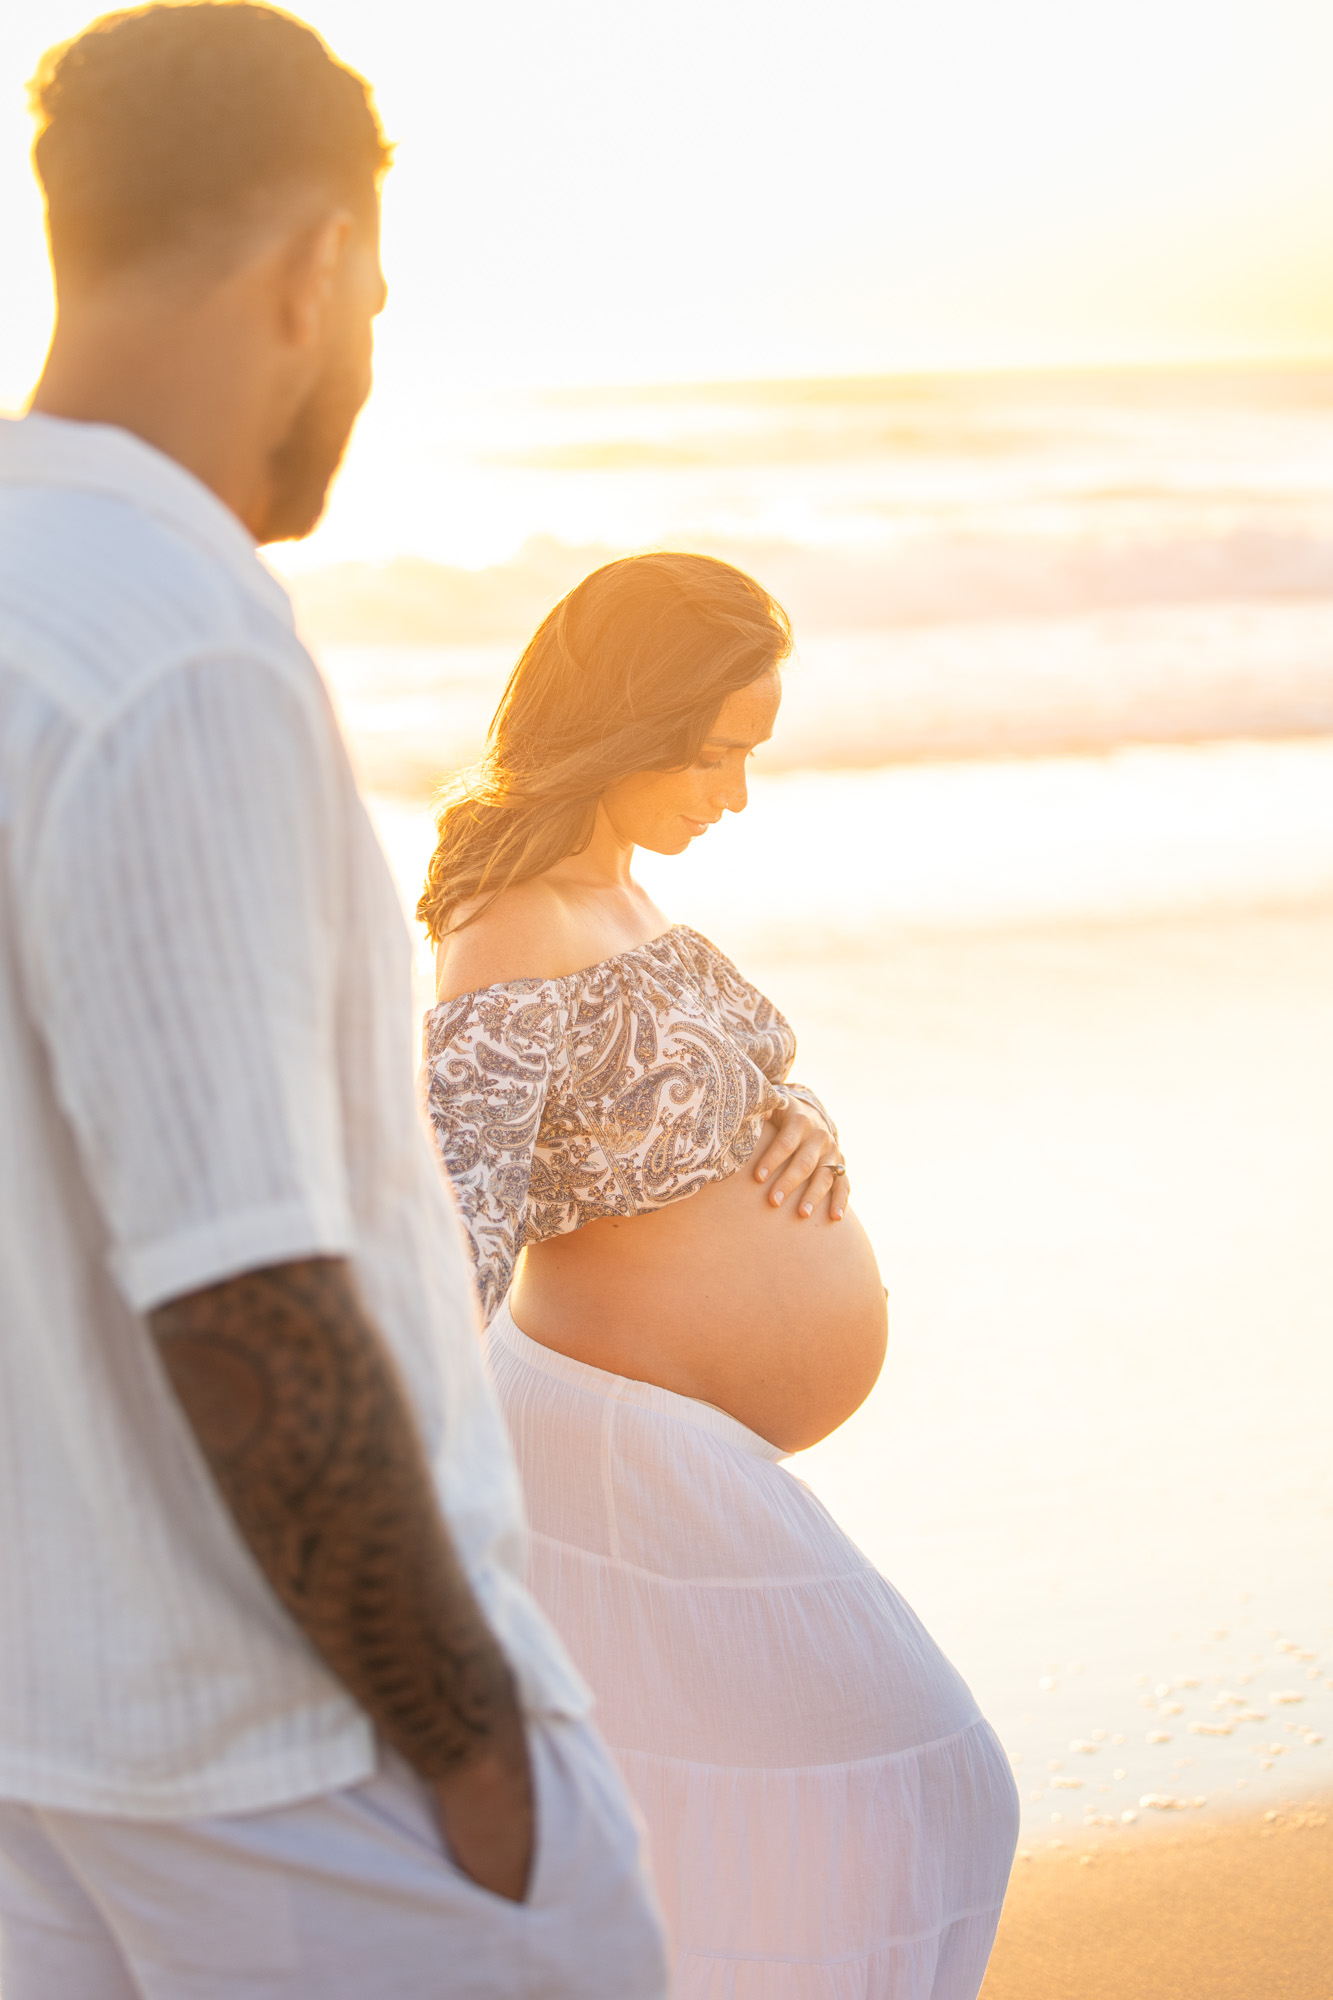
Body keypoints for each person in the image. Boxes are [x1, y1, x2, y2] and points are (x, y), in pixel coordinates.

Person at [0, 8, 668, 1996]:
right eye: (372, 292)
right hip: (299, 1765)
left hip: (49, 1743)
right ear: (314, 270)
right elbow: (248, 1290)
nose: (368, 354)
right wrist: (472, 1749)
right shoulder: (177, 646)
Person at [420, 551, 1021, 1998]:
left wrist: (794, 1123)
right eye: (715, 753)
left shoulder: (615, 892)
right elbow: (456, 1228)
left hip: (676, 1446)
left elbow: (678, 1098)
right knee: (916, 1776)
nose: (734, 794)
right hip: (616, 1453)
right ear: (626, 726)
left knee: (761, 1805)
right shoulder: (510, 929)